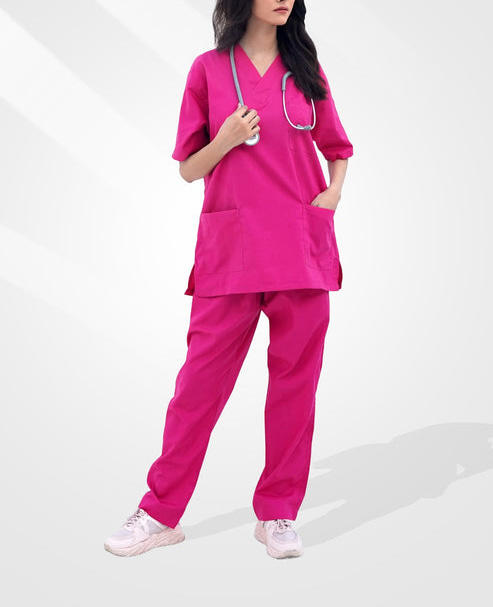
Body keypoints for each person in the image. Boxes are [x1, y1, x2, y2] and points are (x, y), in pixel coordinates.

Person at [104, 0, 353, 560]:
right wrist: (228, 137)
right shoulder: (208, 70)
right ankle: (160, 513)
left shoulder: (306, 69)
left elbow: (337, 147)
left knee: (295, 389)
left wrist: (333, 194)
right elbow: (189, 167)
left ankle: (278, 513)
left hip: (300, 247)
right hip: (232, 250)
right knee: (197, 389)